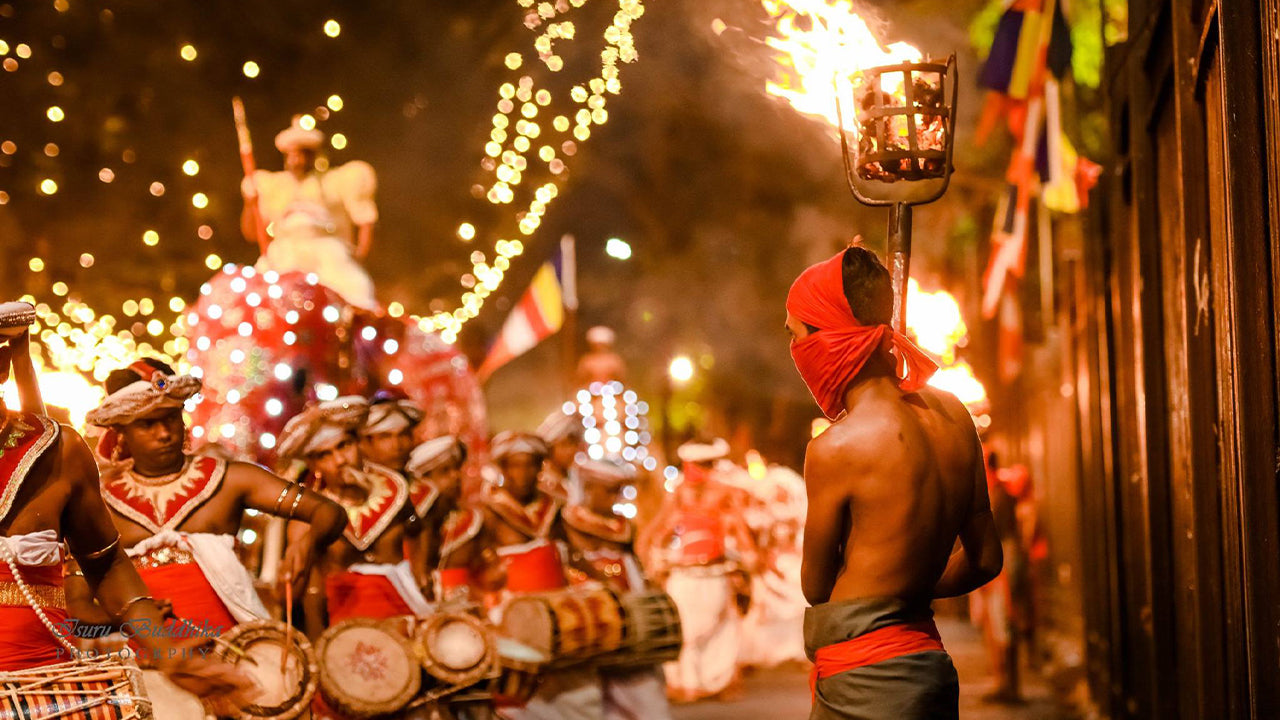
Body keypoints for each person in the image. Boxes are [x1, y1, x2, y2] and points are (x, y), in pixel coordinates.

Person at [0, 302, 253, 713]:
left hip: (51, 699)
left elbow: (106, 563)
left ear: (3, 362)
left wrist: (165, 649)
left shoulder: (60, 450)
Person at [785, 247, 1002, 719]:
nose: (794, 350)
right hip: (929, 664)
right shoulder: (955, 416)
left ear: (828, 338)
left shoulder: (834, 448)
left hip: (864, 679)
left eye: (797, 334)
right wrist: (912, 587)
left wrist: (888, 591)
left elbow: (817, 586)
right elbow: (985, 560)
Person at [69, 358, 346, 640]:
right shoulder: (101, 501)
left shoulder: (229, 479)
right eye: (147, 424)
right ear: (121, 432)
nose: (164, 433)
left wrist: (305, 544)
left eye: (171, 418)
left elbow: (328, 511)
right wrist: (134, 619)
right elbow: (76, 608)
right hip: (143, 666)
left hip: (232, 656)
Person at [278, 397, 430, 637]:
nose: (339, 461)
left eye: (344, 446)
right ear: (312, 464)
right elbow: (303, 589)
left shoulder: (393, 487)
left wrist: (421, 576)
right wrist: (320, 646)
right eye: (325, 455)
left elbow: (417, 530)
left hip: (406, 620)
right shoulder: (308, 512)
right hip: (349, 632)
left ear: (358, 443)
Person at [643, 439, 757, 702]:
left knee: (720, 625)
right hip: (685, 571)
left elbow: (739, 527)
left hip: (715, 571)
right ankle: (687, 682)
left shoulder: (725, 492)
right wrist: (648, 549)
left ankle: (716, 681)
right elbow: (662, 525)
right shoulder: (680, 493)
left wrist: (749, 556)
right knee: (686, 624)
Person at [563, 459, 673, 720]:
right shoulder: (568, 521)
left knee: (640, 685)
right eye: (608, 490)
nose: (614, 498)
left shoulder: (624, 525)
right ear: (589, 487)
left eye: (617, 491)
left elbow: (632, 560)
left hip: (628, 610)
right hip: (589, 614)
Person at [240, 117, 379, 309]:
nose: (297, 160)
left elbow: (365, 219)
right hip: (284, 256)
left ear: (313, 155)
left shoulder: (333, 182)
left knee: (354, 293)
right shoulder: (275, 186)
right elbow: (251, 234)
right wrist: (250, 204)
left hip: (328, 257)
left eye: (302, 154)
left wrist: (360, 255)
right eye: (292, 155)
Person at [402, 435, 470, 598]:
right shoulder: (410, 525)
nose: (456, 476)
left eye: (457, 469)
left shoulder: (466, 520)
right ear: (424, 482)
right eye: (445, 471)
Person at [359, 391, 423, 475]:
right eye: (385, 437)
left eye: (403, 434)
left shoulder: (425, 486)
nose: (397, 445)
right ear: (366, 444)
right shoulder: (361, 487)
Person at [536, 408, 585, 504]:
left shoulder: (577, 477)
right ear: (549, 449)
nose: (571, 451)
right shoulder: (544, 483)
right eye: (564, 445)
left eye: (574, 444)